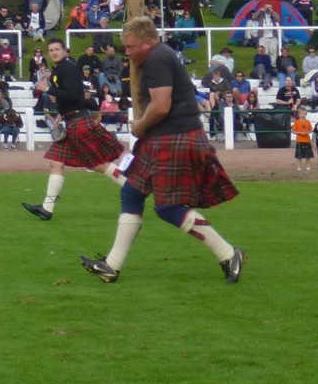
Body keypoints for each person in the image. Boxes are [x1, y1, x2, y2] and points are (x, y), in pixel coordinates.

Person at [81, 17, 244, 285]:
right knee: (131, 191)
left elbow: (161, 106)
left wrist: (140, 125)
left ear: (147, 42)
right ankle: (111, 265)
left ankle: (229, 254)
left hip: (175, 136)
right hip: (166, 137)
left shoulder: (157, 59)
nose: (127, 52)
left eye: (131, 47)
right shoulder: (157, 56)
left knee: (167, 207)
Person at [23, 40, 126, 221]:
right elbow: (70, 98)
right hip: (72, 121)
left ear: (64, 51)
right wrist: (61, 114)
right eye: (51, 50)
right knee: (56, 162)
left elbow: (75, 94)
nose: (54, 52)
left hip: (79, 122)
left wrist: (49, 90)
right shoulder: (59, 69)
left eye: (57, 49)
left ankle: (133, 188)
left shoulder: (69, 67)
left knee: (99, 164)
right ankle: (47, 209)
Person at [291, 107, 314, 172]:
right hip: (299, 141)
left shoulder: (308, 122)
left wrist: (307, 132)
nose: (302, 115)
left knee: (308, 155)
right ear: (299, 114)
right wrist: (300, 133)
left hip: (307, 140)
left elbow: (311, 130)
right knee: (299, 156)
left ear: (306, 114)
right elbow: (293, 131)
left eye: (304, 114)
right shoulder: (297, 122)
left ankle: (308, 166)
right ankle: (299, 167)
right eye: (301, 114)